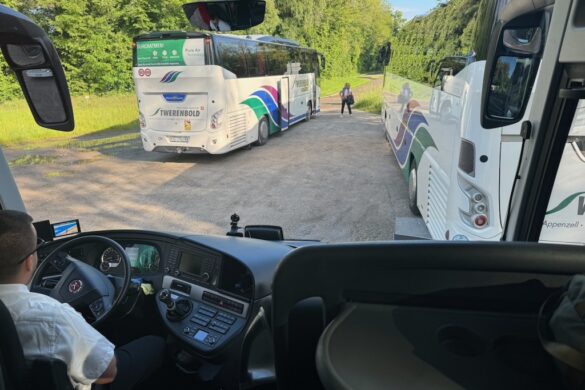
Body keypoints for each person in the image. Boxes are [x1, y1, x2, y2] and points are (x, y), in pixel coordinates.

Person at [0, 210, 165, 390]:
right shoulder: (49, 316)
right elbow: (107, 373)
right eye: (38, 246)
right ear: (30, 262)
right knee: (156, 344)